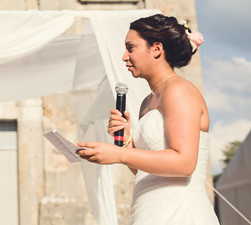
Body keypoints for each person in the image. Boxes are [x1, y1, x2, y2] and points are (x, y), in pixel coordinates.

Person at [77, 14, 219, 225]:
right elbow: (144, 170)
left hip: (180, 213)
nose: (124, 57)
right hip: (149, 211)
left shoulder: (179, 91)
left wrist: (119, 154)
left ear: (156, 49)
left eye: (130, 48)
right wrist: (126, 141)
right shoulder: (147, 102)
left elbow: (184, 163)